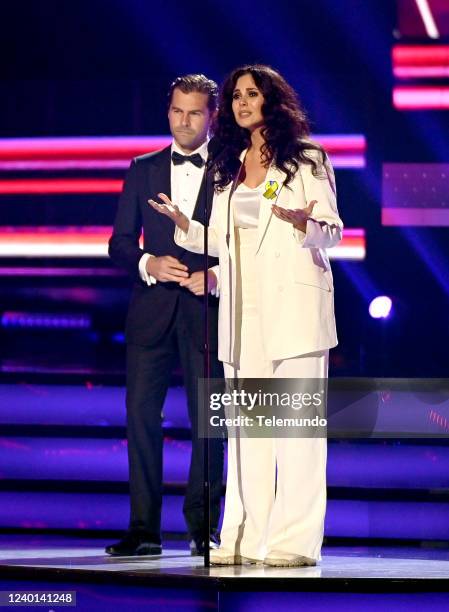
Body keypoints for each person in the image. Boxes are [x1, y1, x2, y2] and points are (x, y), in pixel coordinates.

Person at [149, 65, 343, 567]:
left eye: (251, 94)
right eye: (236, 95)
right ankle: (245, 537)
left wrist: (306, 221)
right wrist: (183, 226)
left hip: (295, 308)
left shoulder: (305, 159)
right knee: (249, 436)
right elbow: (221, 239)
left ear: (272, 100)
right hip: (242, 312)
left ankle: (295, 542)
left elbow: (331, 230)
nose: (241, 103)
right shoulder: (231, 165)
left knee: (295, 432)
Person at [107, 74, 224, 557]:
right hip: (151, 310)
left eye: (195, 112)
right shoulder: (143, 168)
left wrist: (215, 275)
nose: (184, 120)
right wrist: (148, 264)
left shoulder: (234, 170)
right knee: (140, 417)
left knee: (207, 423)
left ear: (212, 116)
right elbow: (117, 244)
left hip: (207, 310)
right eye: (177, 110)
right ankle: (144, 529)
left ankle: (203, 529)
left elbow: (250, 244)